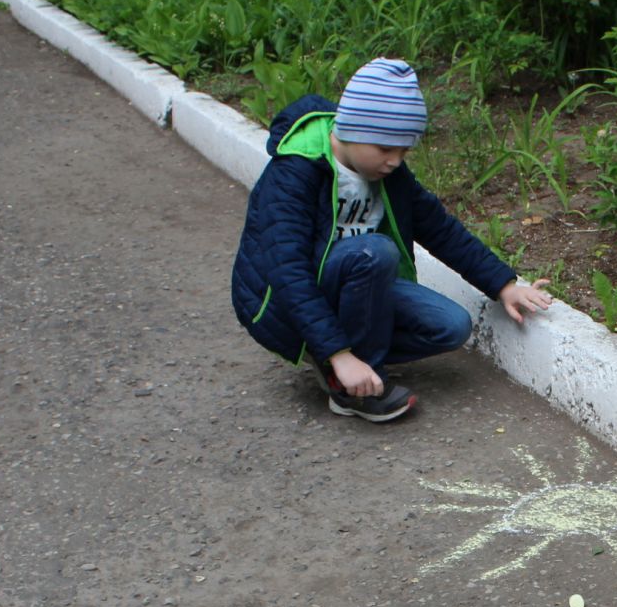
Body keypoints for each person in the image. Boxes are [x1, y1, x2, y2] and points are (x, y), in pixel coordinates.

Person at [231, 57, 553, 422]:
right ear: (352, 129)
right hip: (285, 302)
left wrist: (503, 284)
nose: (394, 161)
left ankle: (345, 361)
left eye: (404, 150)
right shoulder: (297, 171)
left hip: (354, 286)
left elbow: (440, 228)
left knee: (451, 326)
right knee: (374, 251)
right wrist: (341, 353)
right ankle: (349, 381)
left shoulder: (390, 172)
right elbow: (286, 270)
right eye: (385, 149)